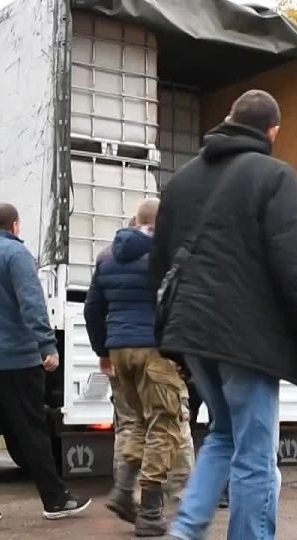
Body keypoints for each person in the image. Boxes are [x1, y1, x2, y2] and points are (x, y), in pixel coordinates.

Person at [150, 90, 297, 539]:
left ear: (229, 120)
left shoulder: (179, 183)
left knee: (223, 435)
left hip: (191, 332)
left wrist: (171, 335)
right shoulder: (274, 176)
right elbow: (293, 270)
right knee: (256, 456)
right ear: (271, 131)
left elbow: (157, 268)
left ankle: (185, 532)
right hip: (244, 339)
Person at [0, 203, 91, 524]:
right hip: (16, 359)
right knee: (31, 429)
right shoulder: (16, 255)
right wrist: (47, 345)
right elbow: (31, 302)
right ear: (14, 226)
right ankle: (55, 501)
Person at [84, 199, 190, 536]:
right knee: (165, 426)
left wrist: (103, 350)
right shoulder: (165, 256)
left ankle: (123, 487)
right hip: (155, 352)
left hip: (120, 351)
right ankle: (150, 512)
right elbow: (180, 305)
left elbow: (92, 308)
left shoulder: (107, 257)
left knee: (141, 423)